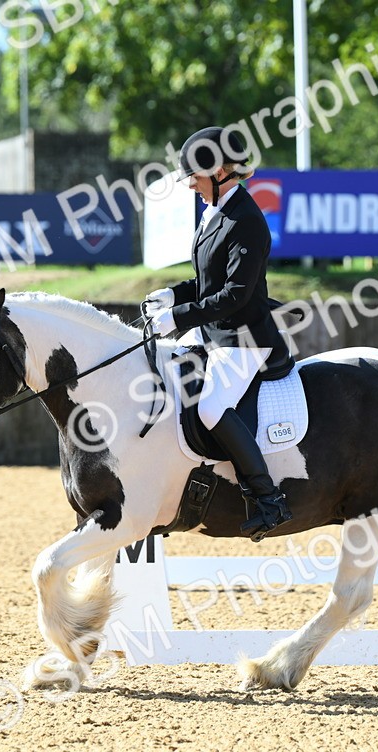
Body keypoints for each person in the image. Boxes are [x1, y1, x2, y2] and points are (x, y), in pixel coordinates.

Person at [145, 126, 292, 537]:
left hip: (243, 337)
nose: (190, 184)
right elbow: (209, 283)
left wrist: (181, 317)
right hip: (214, 330)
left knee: (210, 408)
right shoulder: (215, 213)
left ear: (221, 170)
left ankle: (269, 499)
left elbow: (236, 294)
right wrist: (172, 296)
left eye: (194, 174)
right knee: (165, 371)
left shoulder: (246, 220)